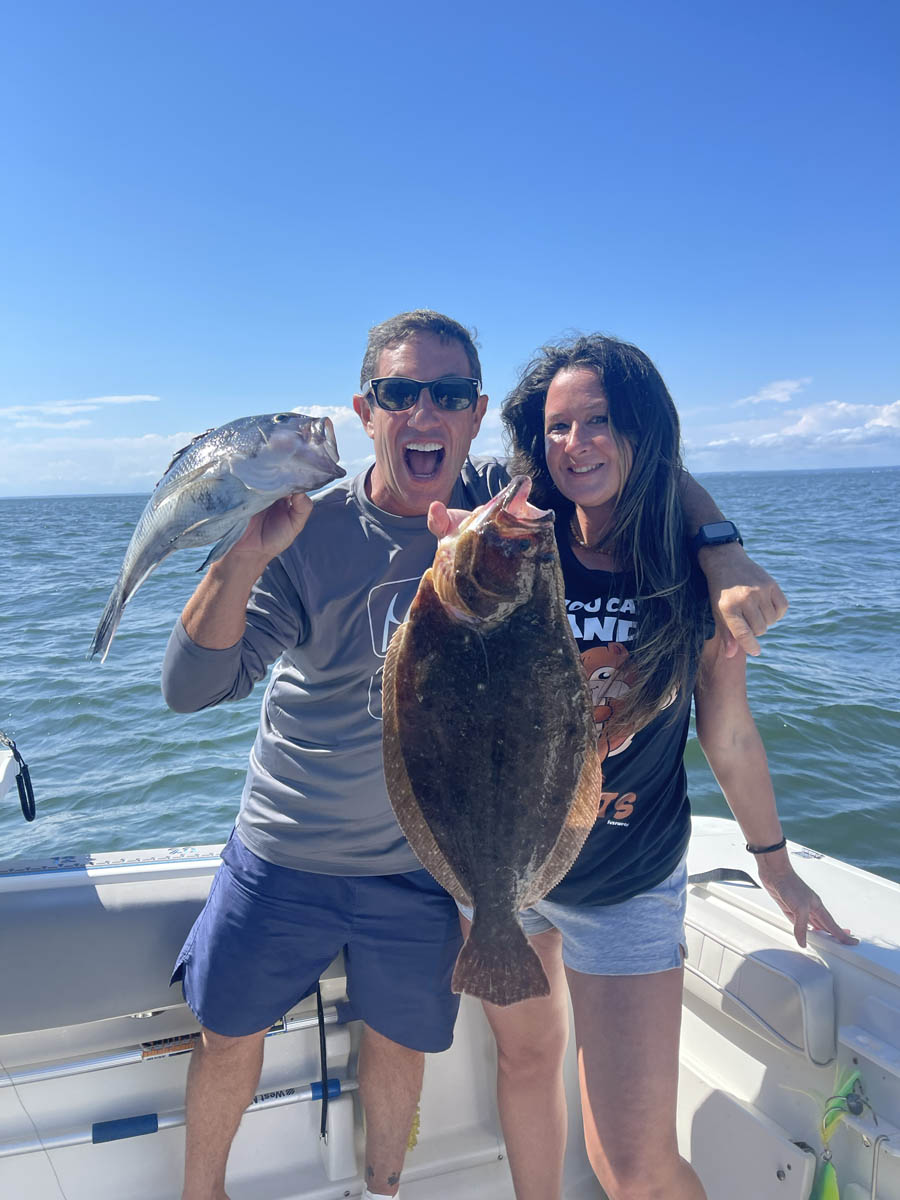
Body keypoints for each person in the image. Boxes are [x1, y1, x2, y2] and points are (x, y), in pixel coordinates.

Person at [161, 311, 789, 1200]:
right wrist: (243, 556)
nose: (426, 412)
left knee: (416, 1050)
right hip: (308, 848)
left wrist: (723, 551)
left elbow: (638, 463)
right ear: (365, 412)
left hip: (451, 864)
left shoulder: (508, 502)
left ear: (476, 413)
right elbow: (190, 688)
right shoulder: (307, 530)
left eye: (450, 394)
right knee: (238, 1032)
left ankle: (383, 1189)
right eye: (399, 393)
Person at [427, 333, 856, 1200]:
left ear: (642, 431)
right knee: (526, 1066)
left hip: (623, 881)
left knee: (635, 1167)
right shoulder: (513, 539)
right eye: (558, 427)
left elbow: (728, 734)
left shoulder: (690, 572)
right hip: (498, 867)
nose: (575, 444)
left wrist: (775, 864)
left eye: (599, 422)